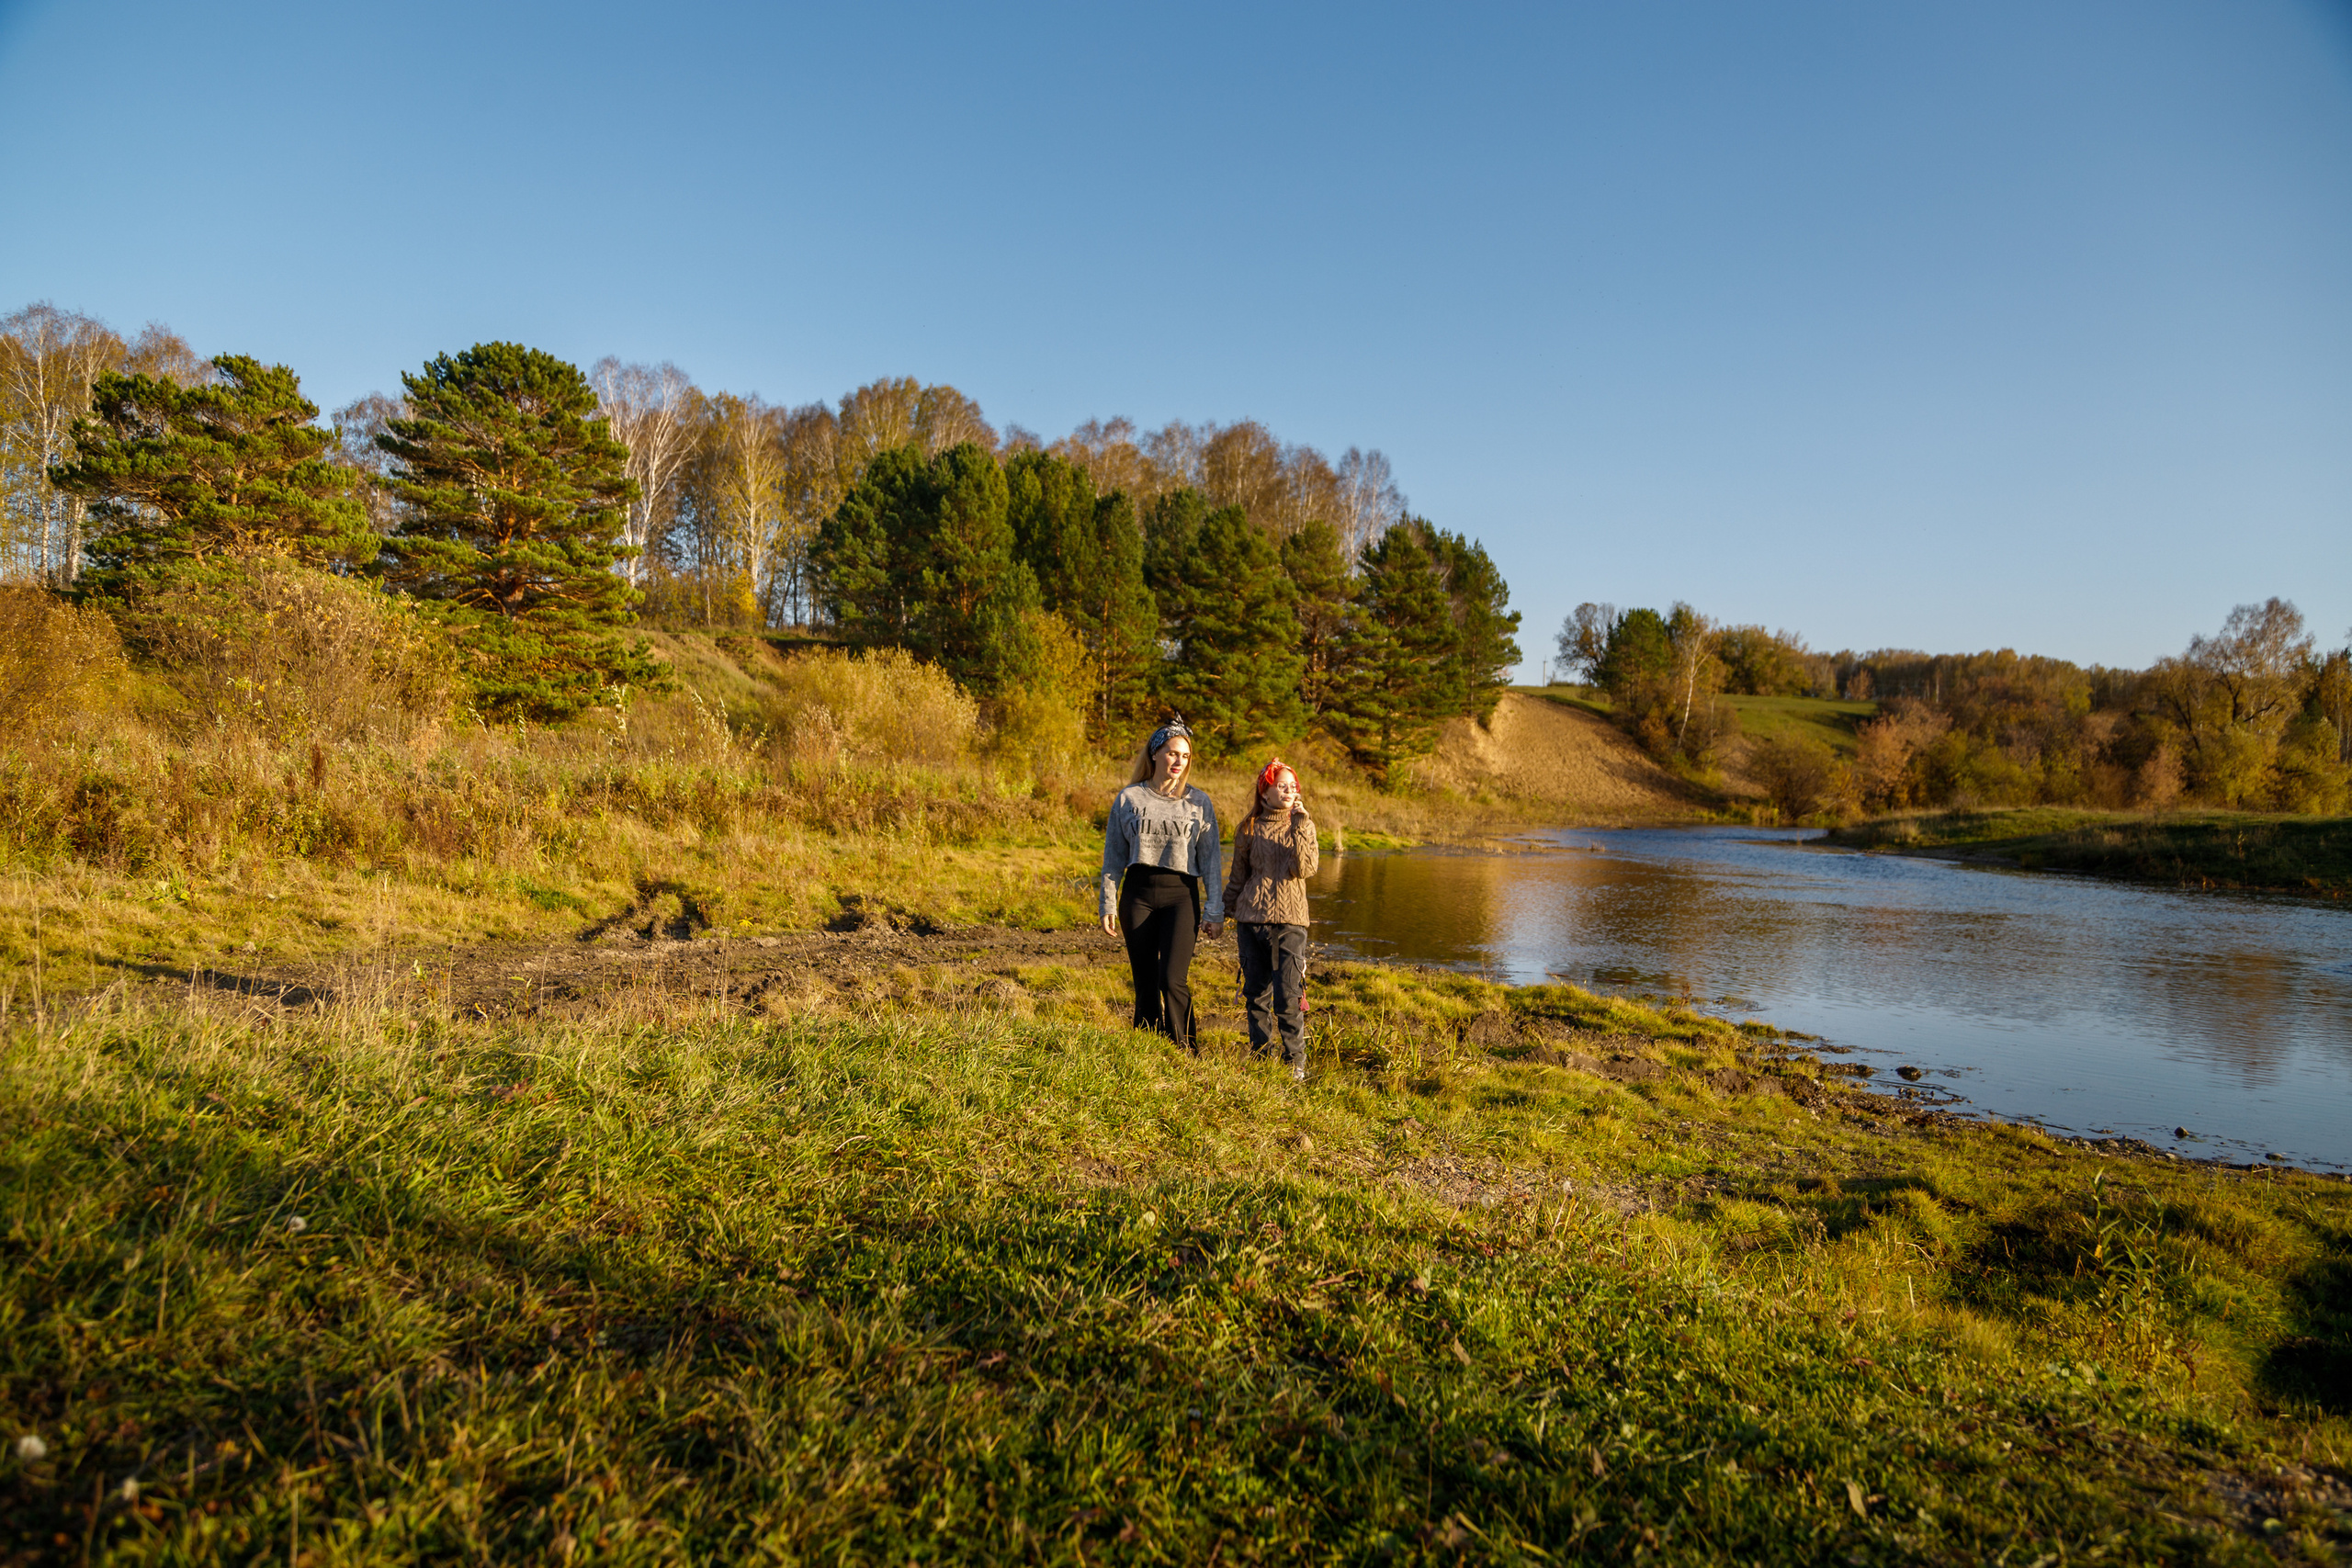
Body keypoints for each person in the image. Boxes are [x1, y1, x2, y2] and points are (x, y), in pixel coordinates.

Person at [1101, 719, 1223, 1051]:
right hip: (1137, 894)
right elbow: (1113, 856)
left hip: (1181, 895)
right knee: (1144, 981)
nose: (1179, 761)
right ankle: (1148, 1051)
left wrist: (1215, 910)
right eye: (1172, 753)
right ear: (1155, 754)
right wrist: (1108, 902)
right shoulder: (1129, 798)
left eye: (1185, 755)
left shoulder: (1199, 802)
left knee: (1171, 979)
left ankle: (1185, 1050)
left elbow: (1211, 861)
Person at [1222, 757, 1318, 1079]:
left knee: (1288, 997)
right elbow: (1238, 878)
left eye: (1293, 786)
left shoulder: (1303, 825)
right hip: (1251, 922)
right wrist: (1220, 913)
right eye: (1281, 786)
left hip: (1291, 923)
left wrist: (1300, 825)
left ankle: (1295, 1065)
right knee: (1256, 996)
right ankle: (1261, 1059)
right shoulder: (1248, 828)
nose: (1289, 791)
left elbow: (1304, 869)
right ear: (1265, 792)